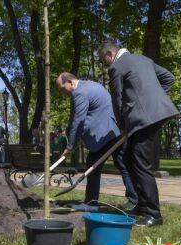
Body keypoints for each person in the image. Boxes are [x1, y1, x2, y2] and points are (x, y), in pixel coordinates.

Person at [98, 40, 178, 227]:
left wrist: (122, 126)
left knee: (140, 164)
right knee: (127, 158)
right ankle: (142, 205)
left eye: (103, 60)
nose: (105, 64)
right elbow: (169, 78)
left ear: (110, 54)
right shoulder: (143, 59)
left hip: (142, 120)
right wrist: (154, 97)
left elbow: (117, 100)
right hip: (157, 114)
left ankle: (154, 213)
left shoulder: (116, 67)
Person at [56, 72, 138, 208]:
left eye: (62, 88)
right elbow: (78, 118)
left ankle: (91, 202)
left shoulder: (79, 93)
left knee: (93, 167)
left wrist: (70, 146)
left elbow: (79, 121)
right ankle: (135, 200)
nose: (62, 92)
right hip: (115, 131)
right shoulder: (91, 85)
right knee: (124, 165)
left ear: (70, 82)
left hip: (103, 135)